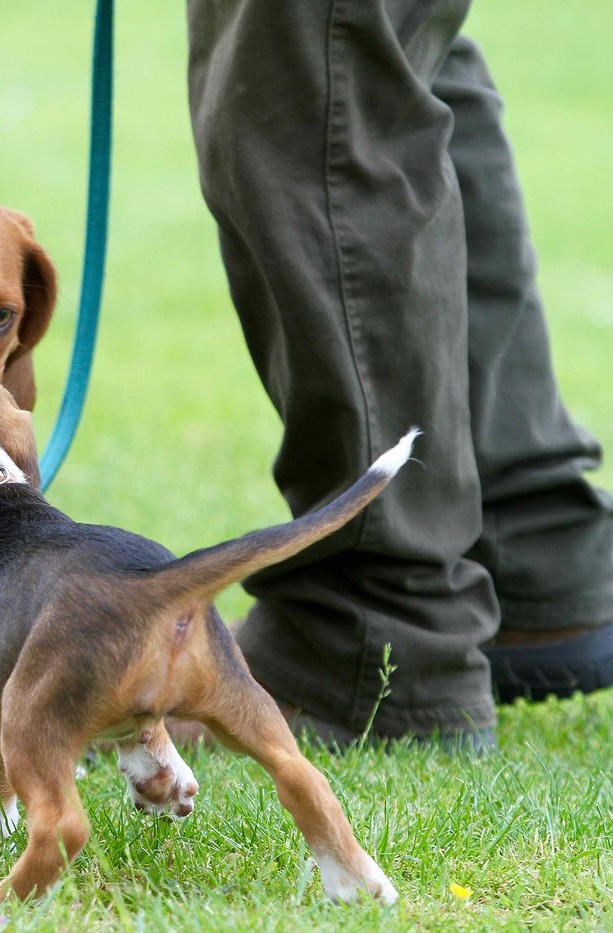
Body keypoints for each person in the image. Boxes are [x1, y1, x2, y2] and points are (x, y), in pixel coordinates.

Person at [182, 0, 613, 747]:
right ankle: (523, 540)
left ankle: (371, 633)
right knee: (381, 43)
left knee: (306, 55)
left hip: (376, 622)